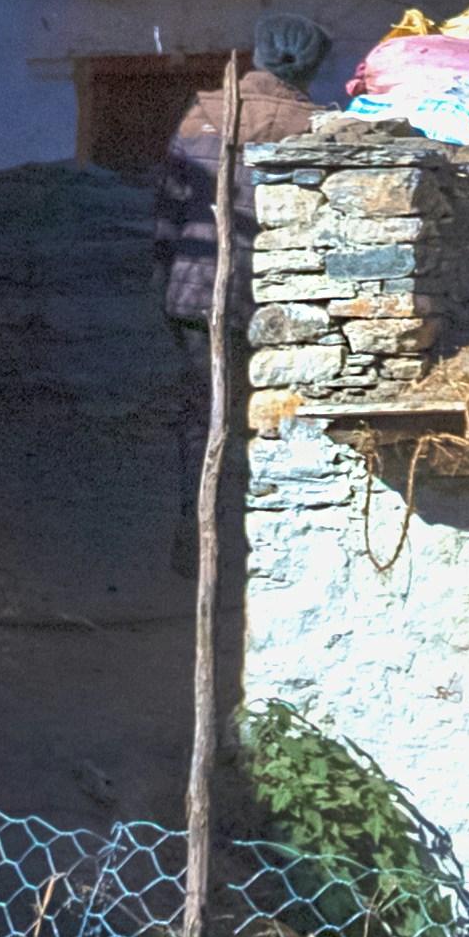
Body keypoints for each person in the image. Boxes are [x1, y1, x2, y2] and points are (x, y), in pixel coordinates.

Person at [153, 55, 319, 569]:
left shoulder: (200, 115)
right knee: (256, 416)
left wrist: (163, 282)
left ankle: (194, 529)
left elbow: (168, 209)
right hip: (261, 296)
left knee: (201, 413)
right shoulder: (310, 124)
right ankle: (250, 536)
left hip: (190, 288)